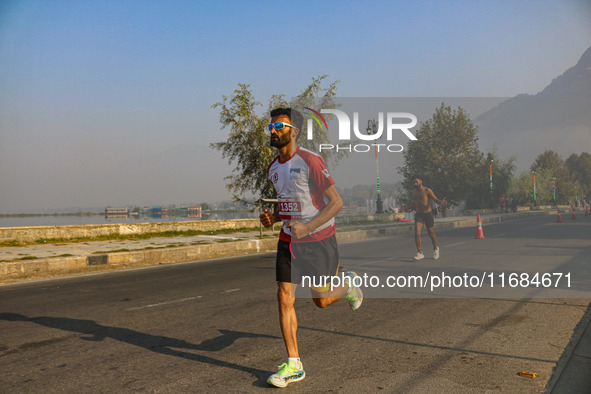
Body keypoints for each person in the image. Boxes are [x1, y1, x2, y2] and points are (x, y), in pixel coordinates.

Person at [260, 107, 364, 388]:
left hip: (318, 241)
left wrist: (307, 226)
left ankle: (349, 283)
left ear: (294, 131)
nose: (273, 130)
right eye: (271, 126)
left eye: (280, 126)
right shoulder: (273, 168)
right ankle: (294, 364)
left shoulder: (311, 161)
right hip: (288, 241)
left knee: (321, 300)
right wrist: (275, 217)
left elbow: (336, 203)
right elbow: (289, 205)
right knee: (284, 296)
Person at [402, 175, 447, 260]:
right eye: (413, 183)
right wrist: (405, 208)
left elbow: (435, 199)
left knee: (431, 233)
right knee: (417, 233)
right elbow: (414, 204)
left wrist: (441, 202)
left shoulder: (427, 190)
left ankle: (436, 249)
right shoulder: (414, 192)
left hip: (428, 214)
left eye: (416, 182)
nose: (415, 184)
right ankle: (420, 252)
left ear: (421, 181)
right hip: (419, 214)